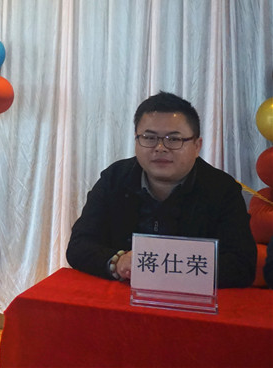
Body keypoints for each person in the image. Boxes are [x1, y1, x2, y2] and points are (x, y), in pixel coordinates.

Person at [66, 91, 256, 288]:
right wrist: (118, 261)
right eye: (149, 137)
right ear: (136, 140)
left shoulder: (222, 189)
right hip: (121, 297)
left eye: (173, 139)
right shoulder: (114, 179)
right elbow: (79, 245)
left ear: (197, 146)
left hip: (191, 300)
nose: (160, 148)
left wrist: (164, 267)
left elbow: (242, 266)